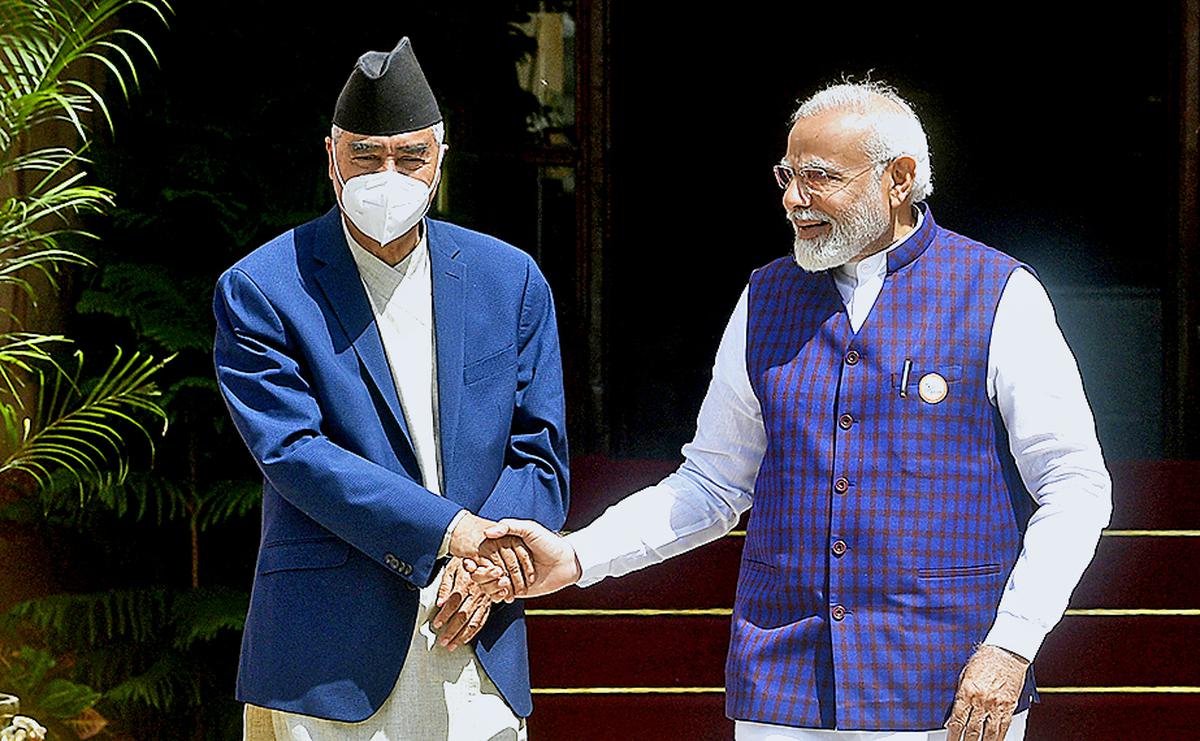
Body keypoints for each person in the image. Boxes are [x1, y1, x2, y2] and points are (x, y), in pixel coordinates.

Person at [469, 81, 1112, 741]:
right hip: (784, 688)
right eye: (787, 174)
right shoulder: (766, 296)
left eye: (819, 177)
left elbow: (1074, 486)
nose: (792, 199)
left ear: (900, 178)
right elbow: (713, 482)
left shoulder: (999, 292)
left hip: (948, 687)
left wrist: (1011, 644)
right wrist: (577, 556)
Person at [212, 37, 568, 741]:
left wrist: (491, 564)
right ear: (331, 158)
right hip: (326, 646)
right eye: (366, 156)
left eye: (410, 157)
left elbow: (541, 456)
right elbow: (294, 451)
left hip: (473, 624)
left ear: (440, 159)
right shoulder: (262, 287)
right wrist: (451, 531)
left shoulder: (511, 279)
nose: (389, 175)